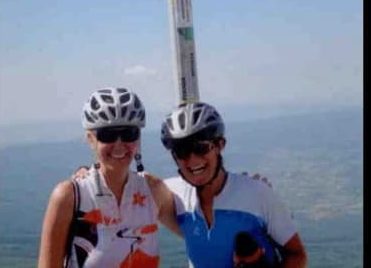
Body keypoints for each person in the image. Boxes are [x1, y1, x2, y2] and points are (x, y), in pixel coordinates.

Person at [37, 87, 181, 268]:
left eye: (129, 134)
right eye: (108, 135)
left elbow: (196, 233)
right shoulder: (69, 197)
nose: (119, 145)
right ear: (90, 139)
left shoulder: (153, 190)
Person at [160, 102, 308, 268]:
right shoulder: (171, 193)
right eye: (182, 151)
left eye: (201, 148)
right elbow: (131, 184)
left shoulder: (257, 193)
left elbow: (296, 254)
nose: (193, 159)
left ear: (219, 145)